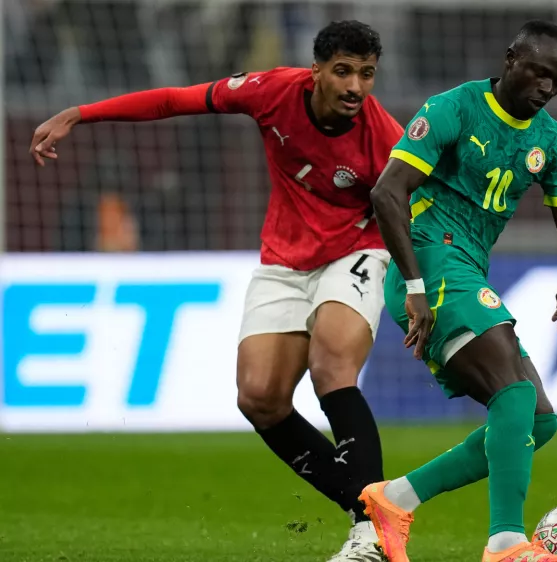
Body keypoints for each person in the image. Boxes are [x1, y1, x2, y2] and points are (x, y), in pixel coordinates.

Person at [29, 20, 402, 562]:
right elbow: (173, 101)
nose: (354, 87)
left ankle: (373, 535)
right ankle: (371, 510)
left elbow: (425, 206)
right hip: (285, 258)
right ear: (316, 69)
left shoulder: (383, 137)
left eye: (366, 75)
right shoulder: (272, 91)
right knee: (260, 399)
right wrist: (79, 114)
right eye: (343, 71)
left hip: (358, 250)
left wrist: (420, 288)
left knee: (331, 366)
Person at [360, 20, 557, 562]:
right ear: (511, 58)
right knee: (512, 392)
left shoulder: (551, 140)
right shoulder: (455, 108)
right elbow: (387, 193)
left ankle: (394, 498)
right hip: (430, 259)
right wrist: (416, 286)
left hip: (467, 270)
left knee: (538, 418)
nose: (546, 88)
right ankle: (507, 542)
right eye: (538, 72)